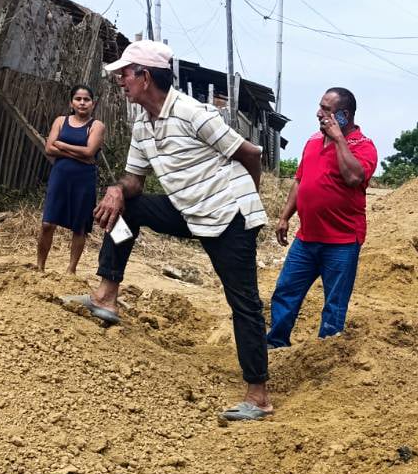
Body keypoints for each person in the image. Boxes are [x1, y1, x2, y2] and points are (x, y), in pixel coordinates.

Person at [64, 40, 273, 424]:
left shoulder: (193, 113)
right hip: (187, 210)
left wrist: (248, 202)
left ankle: (258, 396)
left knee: (243, 302)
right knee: (127, 210)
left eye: (125, 74)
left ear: (145, 76)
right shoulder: (143, 124)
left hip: (229, 217)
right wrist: (116, 190)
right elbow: (134, 181)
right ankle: (106, 297)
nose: (120, 81)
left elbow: (250, 154)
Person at [267, 87, 378, 349]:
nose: (319, 113)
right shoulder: (313, 141)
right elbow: (299, 181)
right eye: (320, 107)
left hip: (342, 242)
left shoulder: (364, 146)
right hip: (306, 239)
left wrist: (339, 140)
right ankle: (276, 343)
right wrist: (285, 217)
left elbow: (353, 178)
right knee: (286, 291)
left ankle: (325, 353)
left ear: (344, 115)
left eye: (327, 109)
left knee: (334, 303)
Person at [37, 84, 105, 273]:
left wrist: (61, 145)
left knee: (79, 226)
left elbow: (89, 151)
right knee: (47, 223)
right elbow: (49, 148)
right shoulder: (61, 121)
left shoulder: (97, 126)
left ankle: (71, 270)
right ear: (71, 103)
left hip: (84, 180)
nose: (82, 103)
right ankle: (39, 267)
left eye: (86, 99)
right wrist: (80, 156)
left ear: (93, 104)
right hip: (60, 177)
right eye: (78, 99)